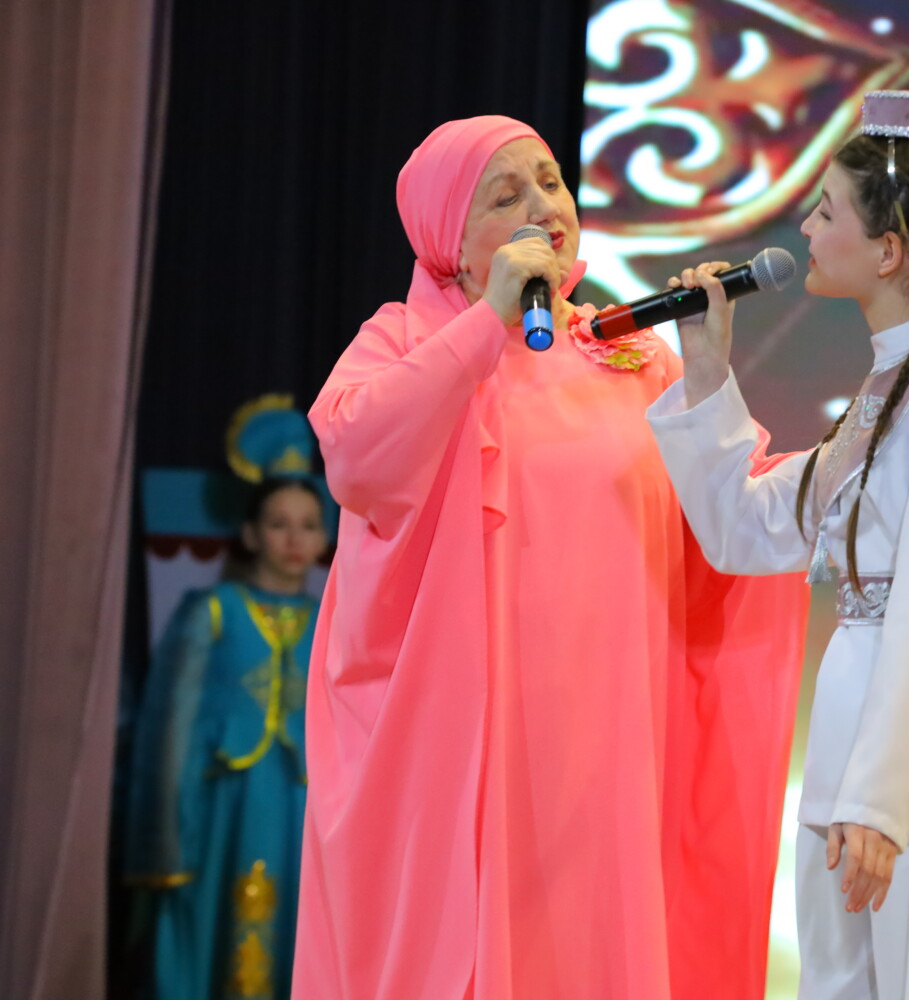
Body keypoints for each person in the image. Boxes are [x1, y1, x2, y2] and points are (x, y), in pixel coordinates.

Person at [292, 115, 808, 1000]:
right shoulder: (405, 340)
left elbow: (739, 506)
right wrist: (485, 323)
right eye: (506, 196)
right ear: (447, 243)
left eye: (550, 181)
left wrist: (715, 377)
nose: (543, 207)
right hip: (469, 743)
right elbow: (358, 459)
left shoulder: (630, 349)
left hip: (613, 738)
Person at [647, 91, 909, 998]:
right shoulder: (886, 390)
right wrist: (707, 367)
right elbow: (747, 527)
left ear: (889, 249)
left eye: (827, 211)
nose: (805, 227)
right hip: (857, 752)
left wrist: (883, 795)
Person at [125, 400, 329, 1000]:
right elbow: (170, 734)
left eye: (308, 525)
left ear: (324, 537)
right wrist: (168, 840)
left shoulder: (332, 623)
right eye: (278, 524)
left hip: (303, 810)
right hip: (225, 810)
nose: (294, 539)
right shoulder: (212, 613)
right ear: (250, 533)